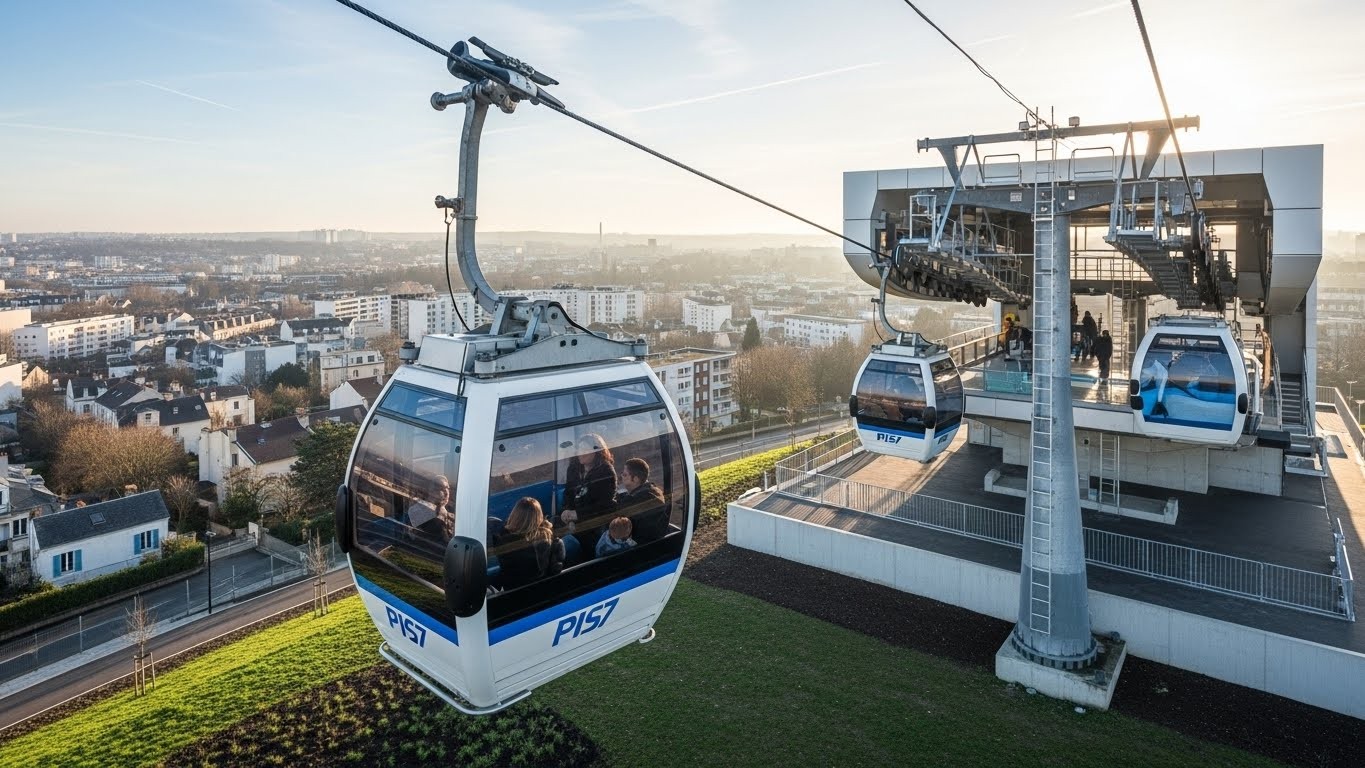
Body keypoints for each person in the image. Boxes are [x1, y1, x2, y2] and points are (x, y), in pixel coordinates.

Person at [560, 432, 618, 553]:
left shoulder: (606, 472)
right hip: (572, 519)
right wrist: (566, 511)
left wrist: (578, 514)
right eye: (579, 449)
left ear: (597, 452)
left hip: (593, 524)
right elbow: (568, 493)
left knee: (569, 546)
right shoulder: (574, 467)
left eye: (585, 449)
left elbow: (605, 505)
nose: (581, 453)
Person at [491, 497, 565, 590]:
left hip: (513, 596)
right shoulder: (553, 542)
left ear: (515, 515)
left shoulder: (502, 542)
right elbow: (555, 571)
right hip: (545, 594)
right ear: (539, 516)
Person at [616, 457, 669, 544]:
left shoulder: (636, 500)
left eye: (625, 475)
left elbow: (615, 516)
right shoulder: (652, 490)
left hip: (641, 547)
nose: (621, 476)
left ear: (636, 479)